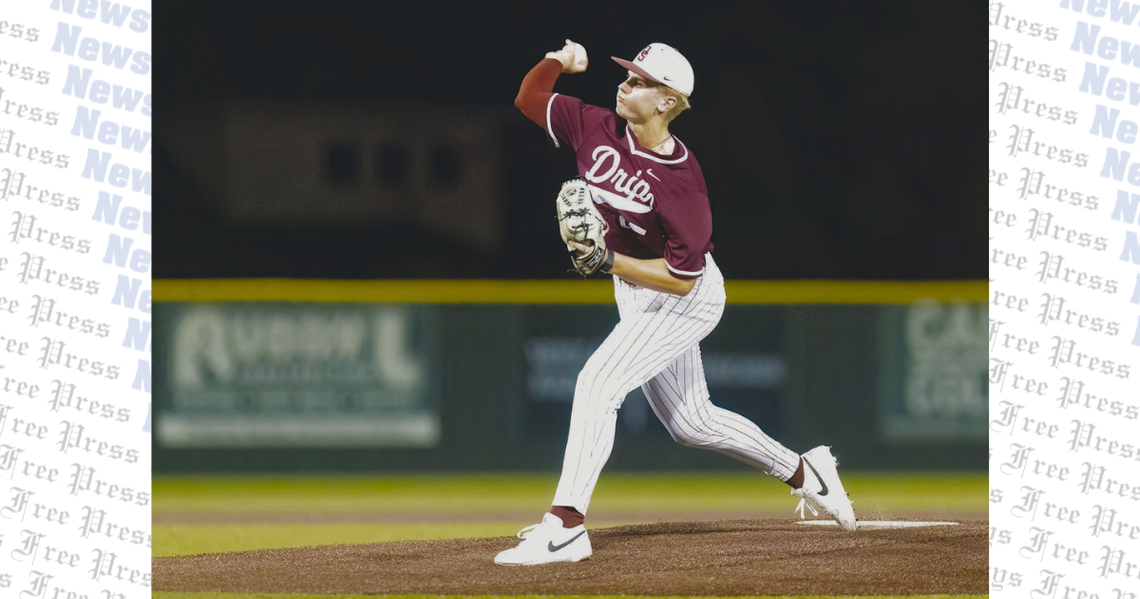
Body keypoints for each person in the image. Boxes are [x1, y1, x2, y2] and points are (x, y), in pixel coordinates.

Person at [494, 40, 857, 567]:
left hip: (685, 296)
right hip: (637, 289)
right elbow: (530, 97)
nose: (625, 84)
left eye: (640, 81)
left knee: (597, 381)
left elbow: (683, 279)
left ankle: (566, 527)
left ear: (667, 101)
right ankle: (808, 472)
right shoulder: (593, 126)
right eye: (627, 76)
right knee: (692, 423)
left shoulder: (683, 182)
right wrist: (561, 60)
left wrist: (607, 263)